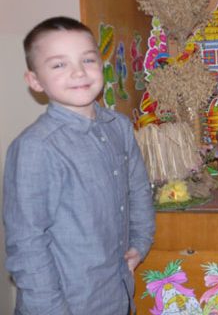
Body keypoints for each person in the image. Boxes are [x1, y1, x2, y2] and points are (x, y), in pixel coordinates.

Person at [3, 16, 155, 314]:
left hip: (116, 294)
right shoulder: (36, 147)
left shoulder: (119, 127)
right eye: (59, 64)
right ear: (35, 81)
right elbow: (27, 244)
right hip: (66, 304)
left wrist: (140, 242)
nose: (78, 72)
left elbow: (138, 191)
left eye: (87, 59)